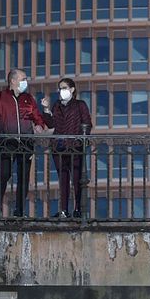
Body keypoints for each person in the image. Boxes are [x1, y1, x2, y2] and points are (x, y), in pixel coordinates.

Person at [0, 68, 49, 218]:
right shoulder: (0, 97)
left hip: (26, 142)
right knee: (4, 174)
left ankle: (19, 210)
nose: (25, 82)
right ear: (13, 81)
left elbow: (36, 115)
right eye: (23, 79)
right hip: (8, 141)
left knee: (23, 177)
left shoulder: (28, 98)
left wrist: (39, 125)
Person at [40, 77, 93, 220]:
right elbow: (51, 124)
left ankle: (78, 209)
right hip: (58, 148)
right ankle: (63, 210)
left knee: (77, 180)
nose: (61, 91)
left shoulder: (80, 105)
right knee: (63, 180)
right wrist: (46, 109)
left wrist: (81, 139)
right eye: (60, 88)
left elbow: (87, 123)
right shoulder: (57, 105)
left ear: (72, 89)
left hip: (75, 148)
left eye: (64, 88)